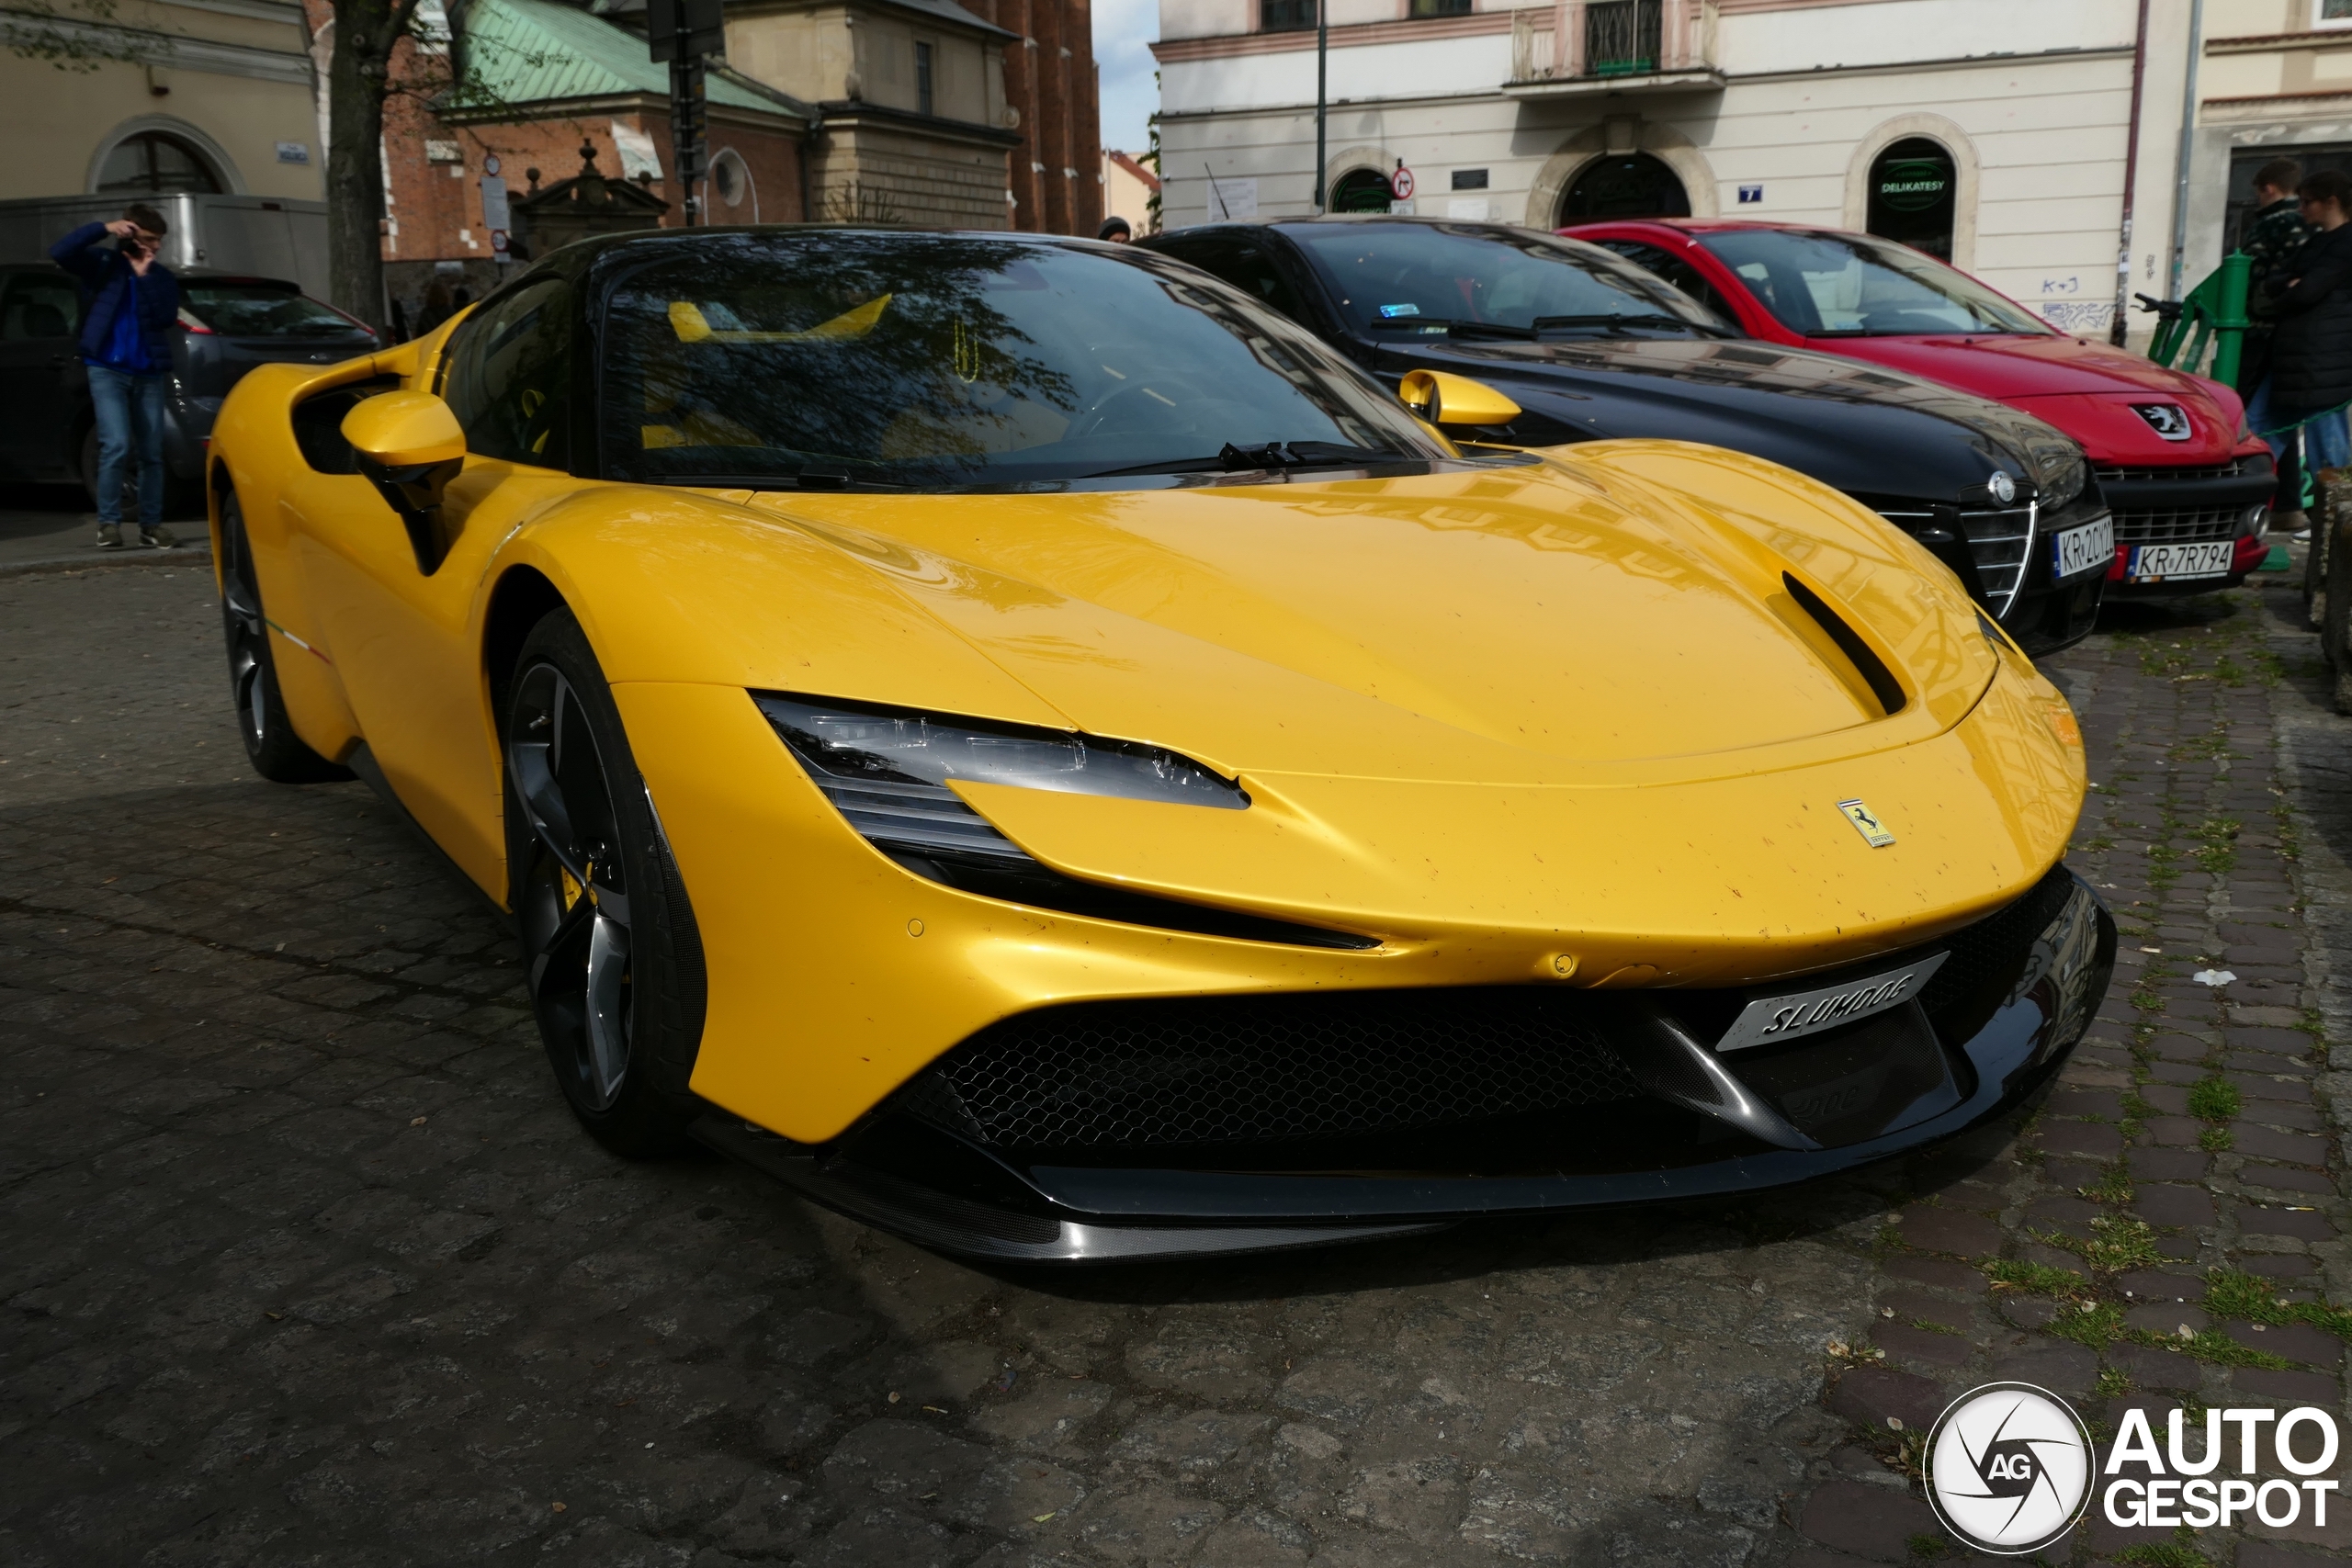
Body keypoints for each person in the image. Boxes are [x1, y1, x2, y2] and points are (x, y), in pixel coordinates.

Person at [51, 205, 181, 549]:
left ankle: (151, 525)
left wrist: (145, 275)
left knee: (152, 451)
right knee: (116, 445)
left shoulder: (161, 277)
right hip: (106, 369)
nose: (154, 247)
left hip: (148, 373)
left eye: (159, 241)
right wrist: (104, 227)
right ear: (131, 232)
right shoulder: (102, 266)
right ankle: (108, 524)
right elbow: (61, 251)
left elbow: (166, 315)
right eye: (149, 239)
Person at [2252, 170, 2352, 533]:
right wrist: (2290, 285)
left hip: (2325, 361)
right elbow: (2276, 280)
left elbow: (2305, 290)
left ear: (2332, 202)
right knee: (2257, 432)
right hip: (2297, 357)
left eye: (2307, 201)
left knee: (2328, 446)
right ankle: (2242, 515)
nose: (2301, 207)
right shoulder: (2315, 243)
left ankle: (2333, 532)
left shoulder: (2345, 242)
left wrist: (2291, 287)